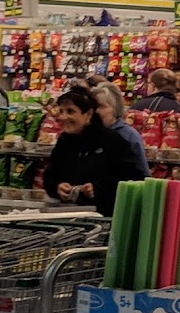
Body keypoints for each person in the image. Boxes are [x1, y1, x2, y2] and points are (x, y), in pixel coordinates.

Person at [38, 83, 142, 216]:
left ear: (88, 114)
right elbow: (50, 176)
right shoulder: (64, 142)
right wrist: (57, 186)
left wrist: (99, 189)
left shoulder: (112, 142)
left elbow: (133, 179)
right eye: (61, 111)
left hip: (105, 217)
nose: (63, 117)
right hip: (67, 216)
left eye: (70, 111)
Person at [90, 78, 151, 178]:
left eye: (101, 106)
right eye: (94, 106)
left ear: (115, 108)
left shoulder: (129, 135)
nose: (96, 111)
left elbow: (143, 174)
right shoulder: (88, 133)